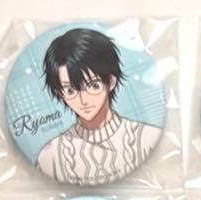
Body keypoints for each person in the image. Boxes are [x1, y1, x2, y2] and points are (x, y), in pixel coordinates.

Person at [36, 28, 160, 184]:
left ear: (111, 82)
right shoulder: (52, 154)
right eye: (70, 90)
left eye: (93, 85)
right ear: (59, 93)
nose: (83, 100)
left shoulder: (146, 138)